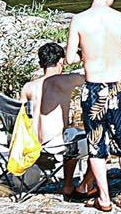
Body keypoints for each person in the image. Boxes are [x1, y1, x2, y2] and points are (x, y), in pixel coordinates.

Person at [65, 0, 121, 212]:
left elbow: (68, 58)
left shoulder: (79, 20)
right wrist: (115, 53)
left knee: (96, 145)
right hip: (118, 87)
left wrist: (87, 54)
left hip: (94, 89)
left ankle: (105, 199)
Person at [18, 41, 89, 200]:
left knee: (71, 134)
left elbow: (22, 118)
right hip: (55, 147)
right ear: (61, 61)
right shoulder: (64, 81)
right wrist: (82, 55)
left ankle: (68, 184)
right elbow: (91, 74)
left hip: (30, 145)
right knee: (98, 141)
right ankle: (80, 186)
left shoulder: (28, 87)